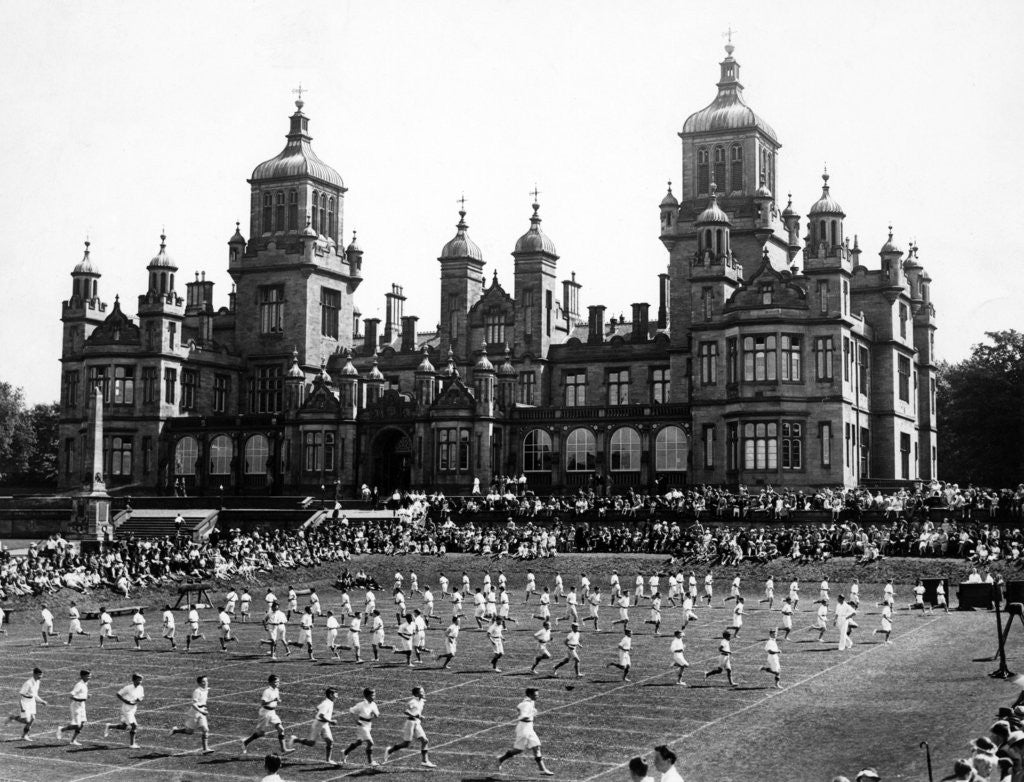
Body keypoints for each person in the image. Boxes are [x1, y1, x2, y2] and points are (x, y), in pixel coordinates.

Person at [495, 688, 554, 776]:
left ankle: (543, 769)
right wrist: (527, 715)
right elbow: (522, 715)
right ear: (530, 695)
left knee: (536, 746)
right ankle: (500, 759)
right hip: (523, 728)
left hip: (529, 727)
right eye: (535, 695)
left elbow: (519, 707)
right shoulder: (526, 704)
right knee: (518, 750)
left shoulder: (530, 701)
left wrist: (533, 711)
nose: (537, 696)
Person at [383, 686, 436, 767]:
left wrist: (419, 716)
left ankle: (425, 761)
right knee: (406, 744)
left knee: (425, 741)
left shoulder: (421, 701)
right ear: (416, 694)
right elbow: (406, 711)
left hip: (417, 723)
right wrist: (417, 715)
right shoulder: (413, 702)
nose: (424, 693)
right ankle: (390, 750)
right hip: (410, 723)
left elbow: (417, 711)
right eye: (422, 692)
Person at [241, 674, 292, 756]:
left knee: (281, 729)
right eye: (276, 682)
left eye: (278, 681)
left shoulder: (276, 690)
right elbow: (263, 703)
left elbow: (276, 698)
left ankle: (284, 749)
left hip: (272, 712)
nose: (278, 683)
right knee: (260, 734)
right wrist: (273, 700)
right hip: (265, 713)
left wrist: (278, 700)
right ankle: (245, 742)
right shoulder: (267, 691)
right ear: (271, 682)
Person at [288, 687, 339, 766]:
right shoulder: (327, 704)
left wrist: (326, 716)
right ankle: (295, 739)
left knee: (330, 741)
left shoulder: (329, 702)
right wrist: (331, 721)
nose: (337, 696)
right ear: (331, 695)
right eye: (336, 694)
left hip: (324, 724)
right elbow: (321, 715)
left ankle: (328, 760)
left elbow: (317, 708)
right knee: (311, 743)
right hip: (318, 724)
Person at [170, 675, 214, 754]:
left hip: (201, 713)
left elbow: (206, 691)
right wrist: (201, 710)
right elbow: (194, 704)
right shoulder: (197, 691)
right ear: (200, 683)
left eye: (207, 681)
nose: (207, 682)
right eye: (204, 681)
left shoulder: (205, 690)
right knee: (189, 732)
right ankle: (176, 730)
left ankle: (205, 749)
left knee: (205, 730)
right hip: (195, 713)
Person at [103, 672, 145, 749]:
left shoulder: (141, 688)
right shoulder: (128, 688)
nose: (140, 682)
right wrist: (125, 701)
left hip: (133, 708)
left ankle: (109, 726)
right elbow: (118, 694)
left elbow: (142, 697)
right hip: (126, 709)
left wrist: (139, 699)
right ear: (134, 680)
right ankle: (132, 744)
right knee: (134, 726)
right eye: (139, 680)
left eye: (141, 680)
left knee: (124, 726)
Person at [341, 687, 380, 766]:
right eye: (373, 695)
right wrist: (356, 721)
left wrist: (375, 714)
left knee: (359, 742)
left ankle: (345, 752)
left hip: (368, 726)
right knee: (370, 743)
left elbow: (377, 714)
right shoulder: (361, 705)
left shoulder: (373, 704)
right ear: (367, 696)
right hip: (362, 726)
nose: (374, 697)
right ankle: (371, 762)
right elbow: (351, 710)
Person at [7, 667, 47, 741]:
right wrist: (22, 707)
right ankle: (13, 717)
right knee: (28, 720)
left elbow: (35, 694)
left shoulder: (38, 682)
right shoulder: (28, 683)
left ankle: (24, 735)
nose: (40, 677)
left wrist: (42, 701)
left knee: (32, 719)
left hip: (32, 701)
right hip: (25, 702)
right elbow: (20, 695)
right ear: (34, 674)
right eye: (39, 675)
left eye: (41, 675)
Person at [56, 669, 91, 745]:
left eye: (90, 675)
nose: (89, 677)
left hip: (82, 705)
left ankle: (73, 740)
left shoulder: (85, 684)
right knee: (77, 725)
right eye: (88, 676)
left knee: (82, 723)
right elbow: (71, 695)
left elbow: (81, 694)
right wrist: (80, 699)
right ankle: (61, 729)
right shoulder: (79, 685)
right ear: (83, 676)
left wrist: (86, 696)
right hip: (76, 706)